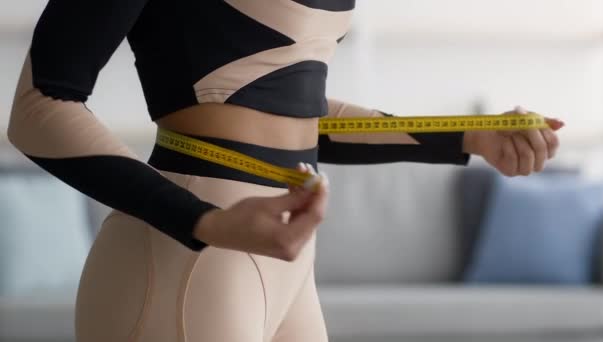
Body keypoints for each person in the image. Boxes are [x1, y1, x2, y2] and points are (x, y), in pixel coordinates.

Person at [7, 1, 563, 341]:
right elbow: (40, 109)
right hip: (182, 256)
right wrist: (206, 222)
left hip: (282, 269)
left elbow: (296, 117)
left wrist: (468, 135)